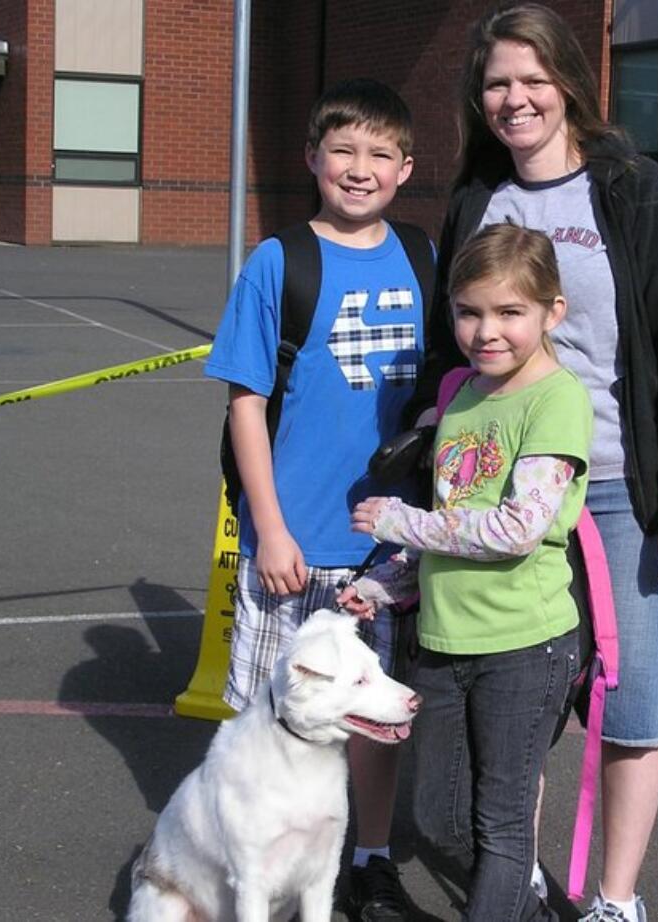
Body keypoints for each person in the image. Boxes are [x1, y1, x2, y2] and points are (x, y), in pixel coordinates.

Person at [403, 5, 658, 921]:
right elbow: (451, 342)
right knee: (519, 718)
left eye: (530, 79)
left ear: (569, 83)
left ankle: (614, 900)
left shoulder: (631, 189)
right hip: (503, 490)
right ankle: (524, 880)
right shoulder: (479, 197)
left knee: (632, 709)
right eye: (497, 83)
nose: (514, 99)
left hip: (621, 486)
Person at [203, 77, 430, 922]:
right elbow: (244, 403)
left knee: (368, 710)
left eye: (380, 153)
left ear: (406, 167)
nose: (359, 168)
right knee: (271, 713)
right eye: (342, 150)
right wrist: (267, 528)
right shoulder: (279, 261)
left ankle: (368, 857)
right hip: (294, 544)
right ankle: (247, 860)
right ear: (311, 158)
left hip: (389, 542)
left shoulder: (421, 255)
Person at [338, 223, 592, 922]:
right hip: (446, 644)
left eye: (511, 312)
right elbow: (456, 518)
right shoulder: (463, 396)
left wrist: (398, 521)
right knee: (442, 820)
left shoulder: (555, 398)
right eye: (469, 311)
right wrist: (385, 584)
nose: (487, 331)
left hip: (524, 645)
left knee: (503, 829)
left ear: (552, 312)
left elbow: (515, 529)